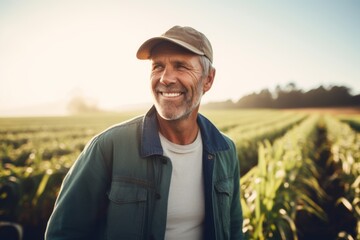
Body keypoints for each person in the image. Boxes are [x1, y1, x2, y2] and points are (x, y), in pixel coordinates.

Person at [45, 25, 244, 240]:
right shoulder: (109, 147)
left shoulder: (225, 150)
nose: (166, 78)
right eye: (158, 66)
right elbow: (64, 233)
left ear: (208, 79)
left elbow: (232, 229)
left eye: (181, 66)